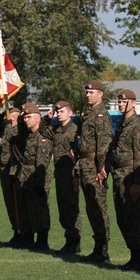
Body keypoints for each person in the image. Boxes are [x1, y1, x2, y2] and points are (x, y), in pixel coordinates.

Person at [102, 89, 140, 271]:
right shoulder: (122, 125)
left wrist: (137, 182)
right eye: (120, 102)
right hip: (119, 174)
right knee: (123, 217)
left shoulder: (138, 125)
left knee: (134, 217)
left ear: (133, 103)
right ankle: (133, 255)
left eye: (125, 102)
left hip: (130, 176)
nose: (122, 105)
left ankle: (139, 258)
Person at [73, 80, 112, 262]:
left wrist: (101, 168)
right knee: (91, 207)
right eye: (87, 93)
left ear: (100, 94)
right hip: (85, 165)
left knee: (98, 206)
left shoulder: (100, 115)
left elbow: (104, 144)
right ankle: (98, 247)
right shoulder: (88, 115)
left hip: (94, 166)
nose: (88, 95)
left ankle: (103, 248)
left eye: (91, 92)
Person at [42, 101, 82, 255]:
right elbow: (42, 130)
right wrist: (47, 117)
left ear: (70, 113)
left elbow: (79, 156)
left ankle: (75, 240)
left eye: (62, 111)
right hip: (59, 174)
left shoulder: (74, 131)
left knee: (72, 208)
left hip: (70, 173)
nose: (59, 114)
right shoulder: (57, 130)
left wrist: (77, 176)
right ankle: (68, 240)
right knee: (63, 209)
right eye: (57, 111)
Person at [16, 103, 53, 250]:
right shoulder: (30, 136)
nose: (26, 120)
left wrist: (39, 182)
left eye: (29, 117)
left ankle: (42, 240)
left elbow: (41, 163)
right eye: (25, 117)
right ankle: (30, 237)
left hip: (38, 177)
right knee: (29, 209)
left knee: (40, 209)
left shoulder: (42, 137)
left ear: (38, 119)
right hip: (27, 176)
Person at [0, 107, 22, 247]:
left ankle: (22, 232)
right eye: (8, 117)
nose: (10, 119)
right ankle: (15, 231)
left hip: (15, 170)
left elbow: (13, 139)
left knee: (19, 204)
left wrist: (9, 126)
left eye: (13, 117)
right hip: (5, 170)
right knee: (10, 204)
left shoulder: (19, 130)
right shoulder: (7, 129)